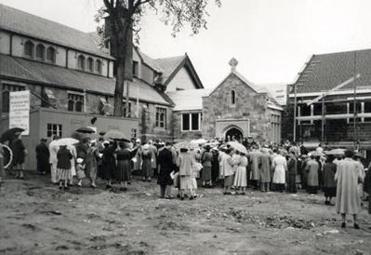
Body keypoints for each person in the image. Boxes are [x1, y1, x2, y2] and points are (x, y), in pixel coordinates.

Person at [335, 150, 363, 229]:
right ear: (353, 155)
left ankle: (343, 221)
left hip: (343, 186)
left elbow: (336, 177)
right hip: (353, 186)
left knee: (343, 202)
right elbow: (360, 177)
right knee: (354, 202)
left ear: (345, 155)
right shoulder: (356, 164)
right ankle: (355, 222)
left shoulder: (340, 163)